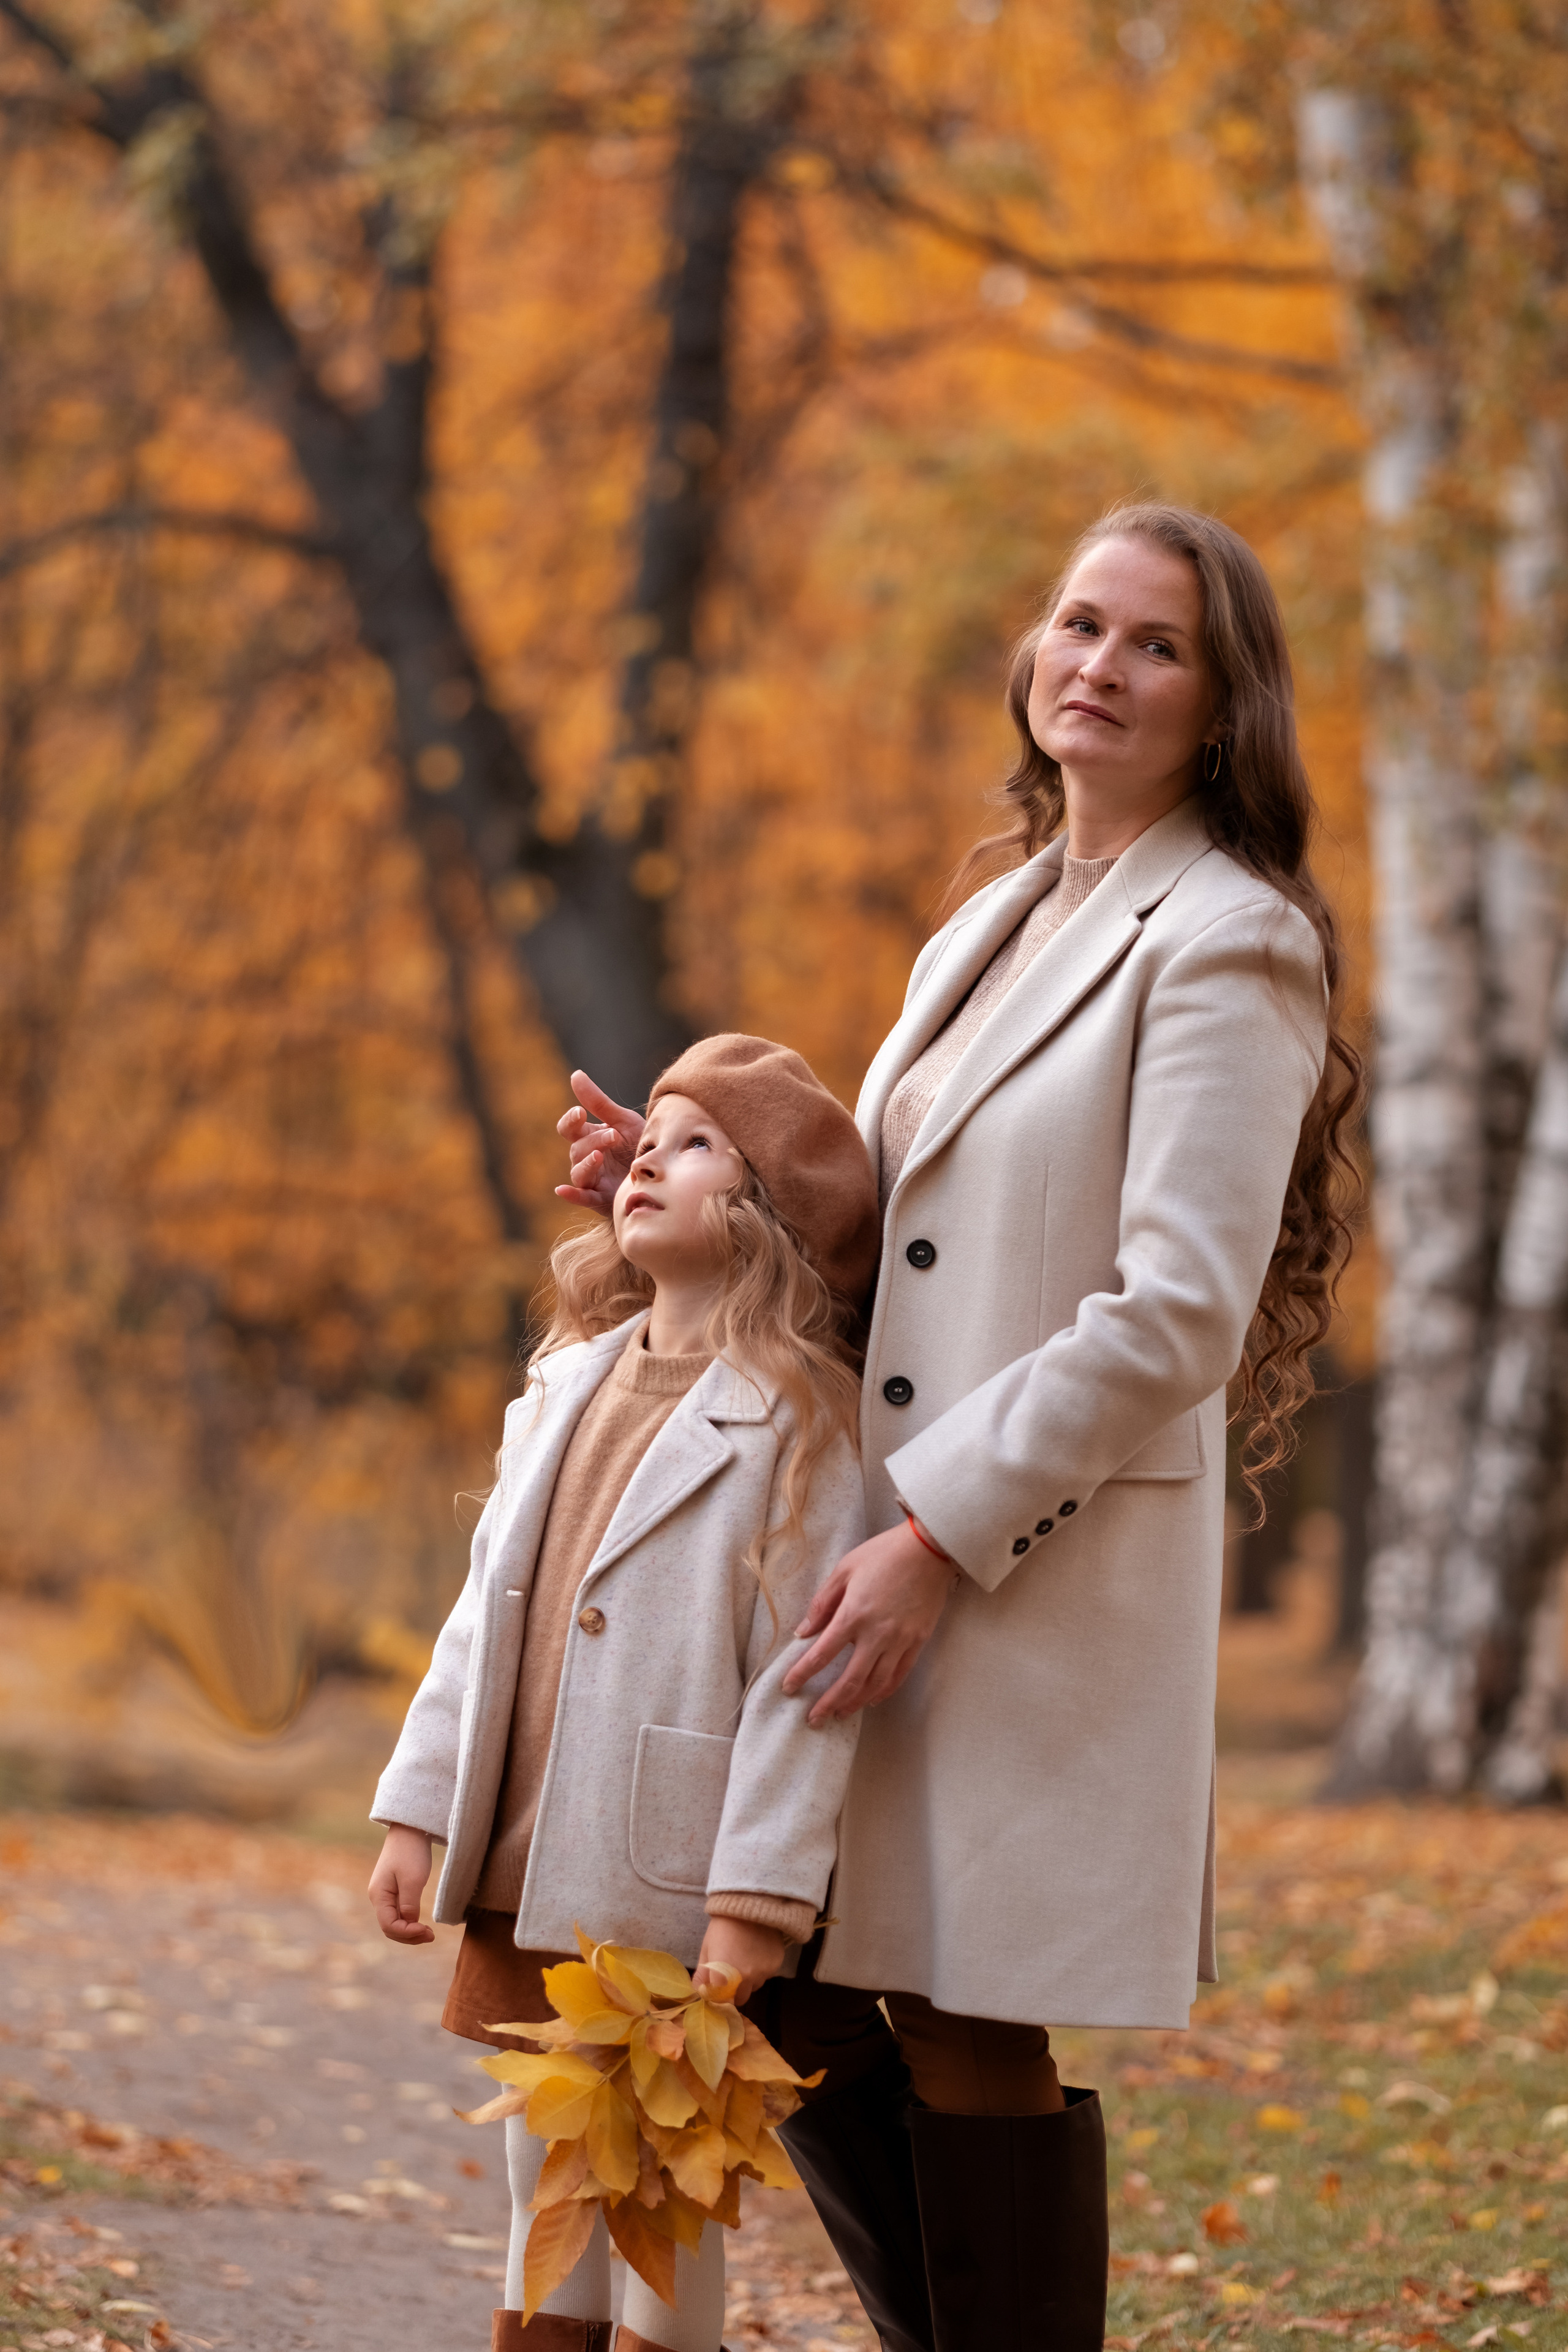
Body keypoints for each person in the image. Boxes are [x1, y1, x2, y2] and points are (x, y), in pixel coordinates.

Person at [556, 501, 1362, 2352]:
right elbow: (887, 1232)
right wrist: (680, 1193)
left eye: (1158, 644)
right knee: (834, 1976)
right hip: (875, 1546)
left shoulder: (1229, 941)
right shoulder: (989, 922)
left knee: (966, 2002)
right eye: (1081, 622)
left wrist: (935, 1536)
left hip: (1022, 1557)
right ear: (1034, 657)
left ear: (1225, 707)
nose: (1103, 665)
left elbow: (1176, 1309)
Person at [368, 1035, 880, 2352]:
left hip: (663, 1882)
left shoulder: (800, 1421)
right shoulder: (561, 1386)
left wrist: (756, 1900)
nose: (648, 1154)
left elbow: (801, 1684)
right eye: (648, 1133)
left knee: (662, 2187)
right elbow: (481, 1617)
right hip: (526, 1861)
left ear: (769, 1216)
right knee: (542, 2167)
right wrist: (418, 1808)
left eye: (698, 1142)